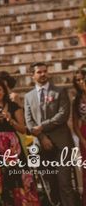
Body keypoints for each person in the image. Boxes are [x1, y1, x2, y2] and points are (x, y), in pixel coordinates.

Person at [24, 62, 79, 206]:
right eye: (39, 72)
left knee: (64, 183)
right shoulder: (28, 97)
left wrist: (42, 127)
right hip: (41, 146)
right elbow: (29, 121)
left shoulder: (60, 91)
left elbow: (63, 115)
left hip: (62, 145)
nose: (43, 74)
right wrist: (42, 138)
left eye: (45, 71)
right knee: (49, 184)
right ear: (32, 75)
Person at [0, 77, 39, 205]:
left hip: (12, 148)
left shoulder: (14, 106)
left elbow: (23, 129)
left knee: (15, 179)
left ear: (4, 90)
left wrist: (10, 120)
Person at [71, 68, 86, 206]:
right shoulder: (77, 99)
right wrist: (82, 140)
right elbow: (75, 124)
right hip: (84, 133)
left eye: (83, 78)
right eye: (78, 80)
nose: (81, 82)